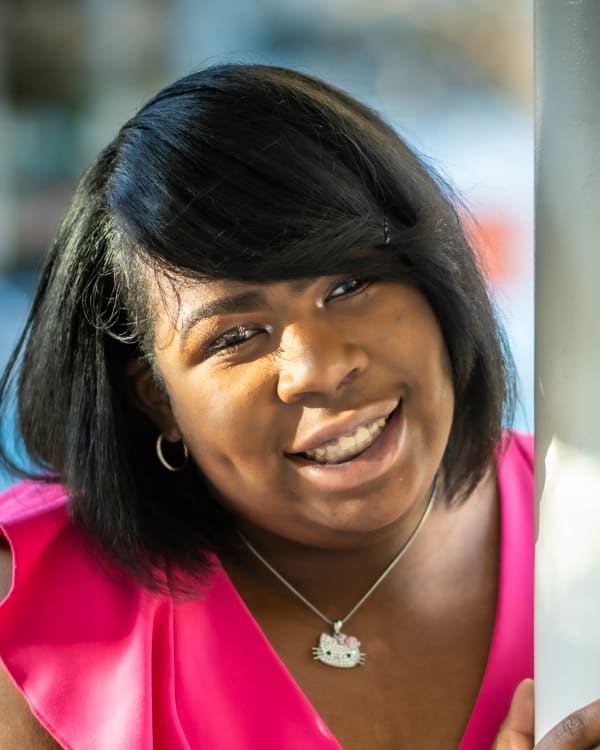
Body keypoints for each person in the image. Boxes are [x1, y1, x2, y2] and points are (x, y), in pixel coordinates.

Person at [0, 63, 593, 750]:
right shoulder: (25, 612)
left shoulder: (584, 518)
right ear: (157, 400)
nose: (320, 368)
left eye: (350, 285)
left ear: (434, 280)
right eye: (236, 336)